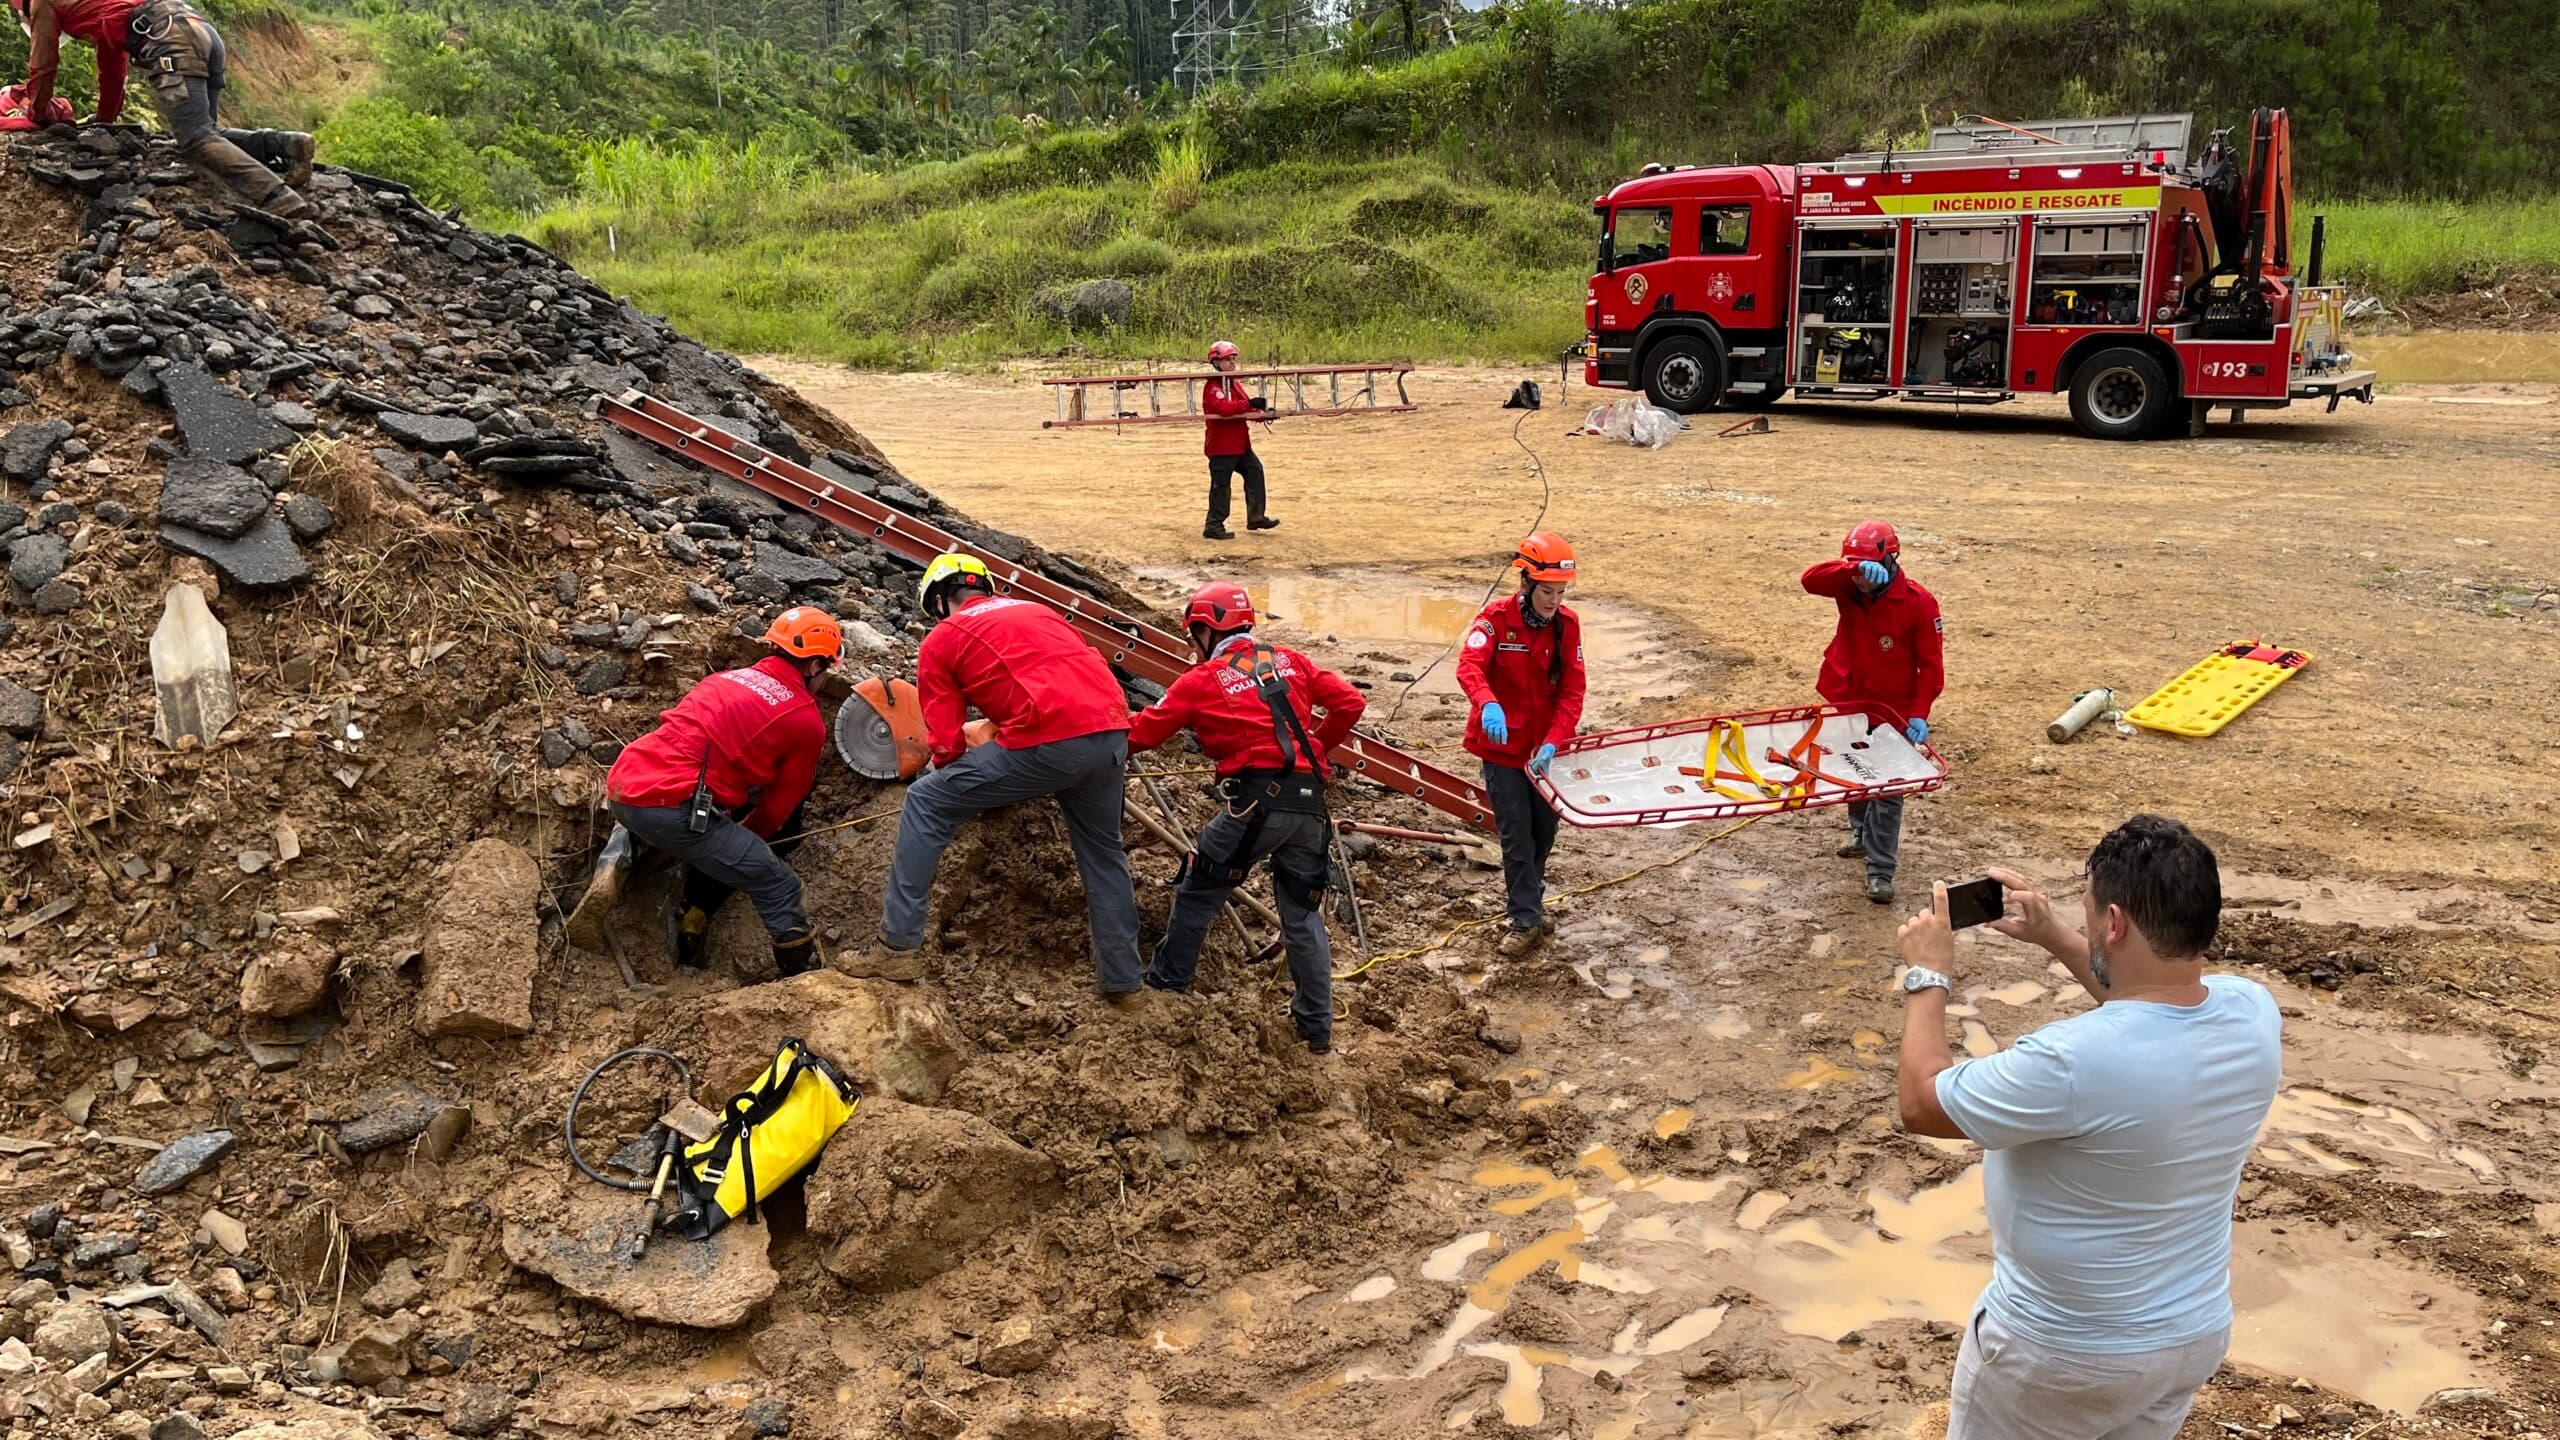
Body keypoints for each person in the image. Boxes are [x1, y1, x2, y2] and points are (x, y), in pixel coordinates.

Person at [1894, 814, 2281, 1440]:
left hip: (2061, 1354)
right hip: (2191, 1335)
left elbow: (1921, 1102)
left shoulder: (2070, 1062)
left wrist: (1927, 972)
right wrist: (2056, 936)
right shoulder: (2252, 1010)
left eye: (2091, 908)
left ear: (2115, 923)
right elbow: (2150, 1005)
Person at [861, 552, 1143, 995]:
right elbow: (1067, 676)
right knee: (1104, 856)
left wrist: (956, 776)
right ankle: (1124, 981)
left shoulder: (943, 637)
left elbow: (946, 741)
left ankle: (896, 949)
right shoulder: (1040, 612)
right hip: (1111, 735)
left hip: (1049, 743)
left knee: (926, 801)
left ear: (940, 600)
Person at [1127, 582, 1366, 1053]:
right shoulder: (1292, 661)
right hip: (1310, 807)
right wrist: (1317, 746)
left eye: (1193, 635)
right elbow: (1350, 703)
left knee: (1199, 890)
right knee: (1302, 916)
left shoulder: (1202, 680)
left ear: (1204, 630)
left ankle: (1168, 982)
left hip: (1253, 807)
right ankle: (1316, 1028)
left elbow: (1143, 733)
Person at [605, 607, 840, 979]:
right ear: (814, 666)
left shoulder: (725, 678)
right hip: (674, 807)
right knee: (775, 881)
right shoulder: (804, 719)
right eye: (826, 670)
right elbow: (777, 810)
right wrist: (749, 840)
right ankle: (804, 979)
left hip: (625, 783)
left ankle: (617, 857)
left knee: (691, 822)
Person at [11, 0, 315, 217]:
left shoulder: (41, 3)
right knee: (207, 133)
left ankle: (277, 196)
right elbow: (112, 68)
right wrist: (104, 119)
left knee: (196, 139)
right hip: (199, 28)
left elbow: (43, 65)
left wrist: (37, 113)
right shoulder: (100, 7)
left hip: (169, 39)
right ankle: (287, 144)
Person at [1800, 519, 1943, 904]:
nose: (1861, 579)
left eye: (1868, 569)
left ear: (1891, 560)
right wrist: (1850, 568)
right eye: (1855, 568)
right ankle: (1861, 833)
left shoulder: (1918, 603)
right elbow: (1810, 580)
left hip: (1892, 709)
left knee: (1888, 789)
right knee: (1854, 771)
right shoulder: (1848, 585)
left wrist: (1919, 713)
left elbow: (1931, 667)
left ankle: (1881, 870)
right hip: (1849, 696)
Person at [1457, 530, 1586, 957]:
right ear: (1526, 583)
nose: (1554, 601)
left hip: (1544, 752)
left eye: (1561, 593)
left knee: (1544, 832)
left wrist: (1554, 741)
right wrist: (1487, 703)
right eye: (1547, 592)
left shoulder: (1567, 626)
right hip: (1502, 749)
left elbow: (1572, 692)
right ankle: (1525, 920)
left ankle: (1531, 899)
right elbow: (1469, 667)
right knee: (1516, 835)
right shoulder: (1494, 620)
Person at [1200, 339, 1276, 541]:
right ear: (1216, 362)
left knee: (1255, 472)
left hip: (1240, 444)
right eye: (1228, 359)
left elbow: (1245, 408)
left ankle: (1256, 516)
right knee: (1221, 486)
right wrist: (1249, 404)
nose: (1232, 363)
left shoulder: (1233, 384)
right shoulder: (1213, 386)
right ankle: (1214, 525)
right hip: (1221, 446)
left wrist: (1263, 414)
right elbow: (1225, 409)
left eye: (1233, 359)